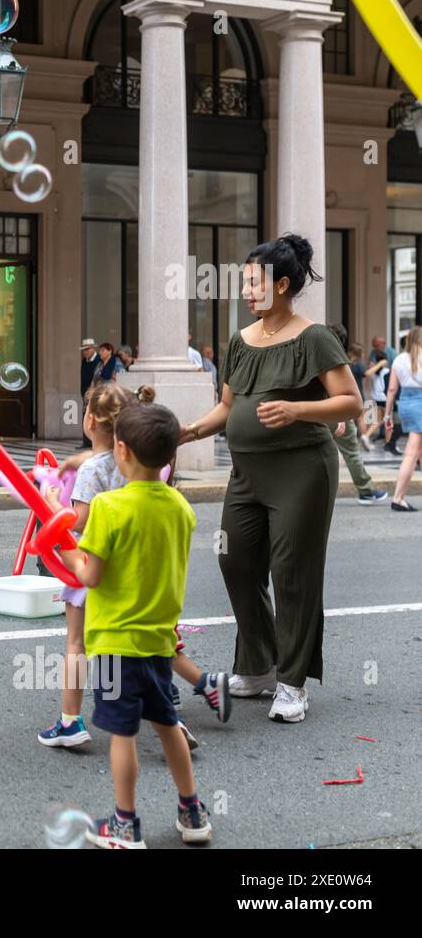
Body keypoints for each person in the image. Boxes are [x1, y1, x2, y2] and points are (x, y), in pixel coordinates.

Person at [178, 234, 360, 724]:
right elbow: (226, 408)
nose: (246, 290)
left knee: (292, 574)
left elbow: (350, 401)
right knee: (233, 559)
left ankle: (292, 683)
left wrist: (298, 407)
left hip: (301, 470)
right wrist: (185, 432)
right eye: (243, 282)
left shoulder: (314, 337)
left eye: (253, 281)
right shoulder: (241, 340)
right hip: (246, 473)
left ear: (281, 284)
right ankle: (257, 666)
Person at [53, 402, 212, 848]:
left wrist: (63, 546)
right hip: (160, 640)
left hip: (115, 644)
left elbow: (90, 575)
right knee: (167, 725)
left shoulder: (107, 507)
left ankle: (125, 824)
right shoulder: (181, 507)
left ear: (120, 450)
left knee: (122, 735)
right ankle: (192, 810)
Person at [38, 383, 227, 752]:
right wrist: (77, 461)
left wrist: (50, 501)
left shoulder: (94, 470)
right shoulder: (143, 459)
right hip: (136, 570)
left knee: (78, 643)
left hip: (92, 563)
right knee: (145, 647)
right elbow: (106, 461)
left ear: (89, 420)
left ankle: (70, 721)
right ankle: (167, 718)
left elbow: (78, 521)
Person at [327, 325, 387, 504]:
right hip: (344, 409)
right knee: (352, 451)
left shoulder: (317, 355)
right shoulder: (339, 360)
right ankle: (366, 490)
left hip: (321, 412)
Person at [384, 325, 422, 512]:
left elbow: (391, 390)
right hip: (420, 404)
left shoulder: (399, 359)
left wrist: (387, 415)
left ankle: (399, 497)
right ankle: (398, 498)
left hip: (406, 404)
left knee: (418, 451)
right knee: (411, 453)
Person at [79, 338, 100, 447]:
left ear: (92, 349)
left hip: (94, 392)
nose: (85, 352)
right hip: (85, 393)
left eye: (87, 349)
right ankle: (86, 442)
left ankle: (93, 441)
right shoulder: (84, 361)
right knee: (85, 415)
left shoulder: (98, 360)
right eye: (84, 350)